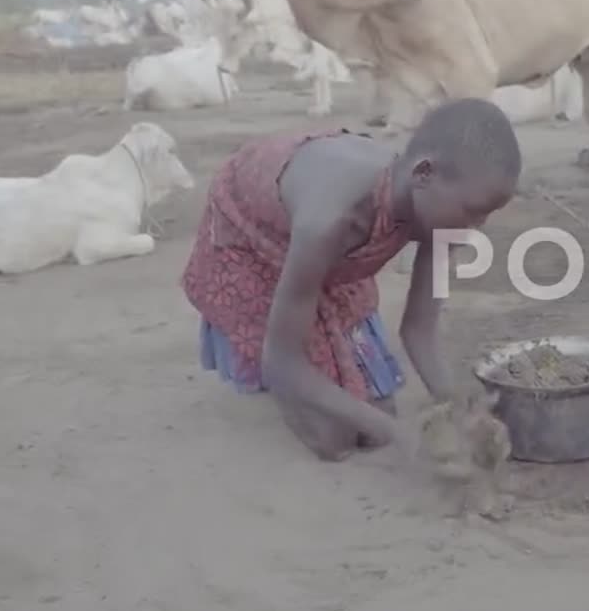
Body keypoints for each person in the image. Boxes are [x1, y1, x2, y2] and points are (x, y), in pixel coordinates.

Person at [180, 98, 522, 462]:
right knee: (334, 439)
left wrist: (457, 407)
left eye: (486, 215)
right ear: (423, 173)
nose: (478, 226)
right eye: (473, 211)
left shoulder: (440, 213)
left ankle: (324, 348)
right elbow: (281, 359)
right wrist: (403, 435)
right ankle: (286, 380)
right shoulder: (330, 219)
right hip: (254, 236)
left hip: (320, 244)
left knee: (377, 419)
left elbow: (419, 329)